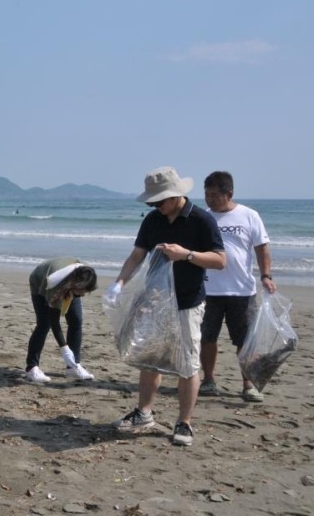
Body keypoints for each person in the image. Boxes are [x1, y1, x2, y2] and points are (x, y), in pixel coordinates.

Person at [105, 166, 225, 447]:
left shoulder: (201, 220)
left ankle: (184, 423)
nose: (155, 206)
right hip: (155, 301)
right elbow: (137, 255)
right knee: (151, 358)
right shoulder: (152, 221)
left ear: (176, 196)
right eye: (151, 202)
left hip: (188, 302)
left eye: (159, 201)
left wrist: (186, 255)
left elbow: (221, 260)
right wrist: (120, 282)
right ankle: (144, 413)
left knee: (187, 364)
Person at [199, 171, 276, 403]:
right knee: (206, 337)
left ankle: (248, 384)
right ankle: (209, 380)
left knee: (244, 340)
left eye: (214, 195)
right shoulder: (204, 217)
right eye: (206, 195)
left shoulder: (249, 215)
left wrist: (266, 275)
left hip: (241, 290)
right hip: (208, 290)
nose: (209, 199)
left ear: (229, 193)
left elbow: (262, 248)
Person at [25, 258, 98, 383]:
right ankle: (32, 368)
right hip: (40, 280)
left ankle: (73, 366)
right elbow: (55, 321)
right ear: (74, 284)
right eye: (81, 291)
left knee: (76, 321)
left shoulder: (88, 277)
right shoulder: (54, 285)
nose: (83, 294)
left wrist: (77, 292)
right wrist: (64, 349)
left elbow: (81, 291)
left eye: (85, 291)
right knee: (44, 324)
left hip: (70, 284)